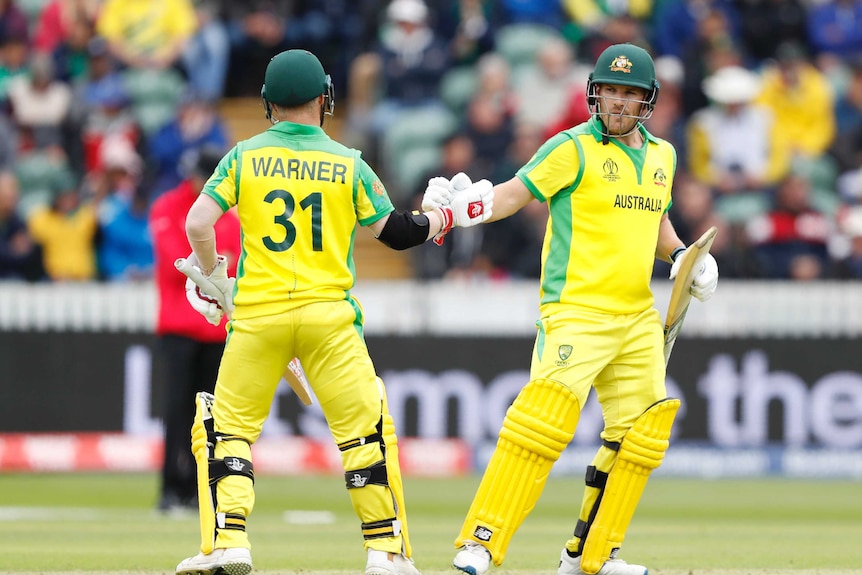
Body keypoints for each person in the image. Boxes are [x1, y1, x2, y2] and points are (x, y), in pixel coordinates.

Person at [173, 49, 492, 575]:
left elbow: (197, 223)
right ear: (324, 97)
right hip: (329, 318)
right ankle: (385, 552)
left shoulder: (244, 156)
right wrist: (445, 217)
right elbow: (395, 233)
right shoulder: (349, 162)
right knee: (364, 432)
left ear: (268, 104)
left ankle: (227, 542)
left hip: (259, 315)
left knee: (227, 430)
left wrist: (213, 275)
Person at [421, 44, 719, 575]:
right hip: (576, 311)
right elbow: (513, 195)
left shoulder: (663, 157)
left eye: (630, 93)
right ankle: (481, 543)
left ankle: (592, 557)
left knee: (640, 439)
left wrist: (682, 256)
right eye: (611, 90)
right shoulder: (571, 148)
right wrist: (457, 213)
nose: (619, 102)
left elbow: (656, 221)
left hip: (636, 318)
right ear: (594, 93)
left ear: (648, 100)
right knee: (541, 426)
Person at [149, 145, 240, 512]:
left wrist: (208, 264)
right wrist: (212, 264)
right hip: (178, 327)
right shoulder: (168, 206)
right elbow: (177, 263)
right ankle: (171, 489)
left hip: (215, 329)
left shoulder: (229, 218)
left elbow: (230, 267)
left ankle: (201, 491)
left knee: (213, 416)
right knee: (177, 411)